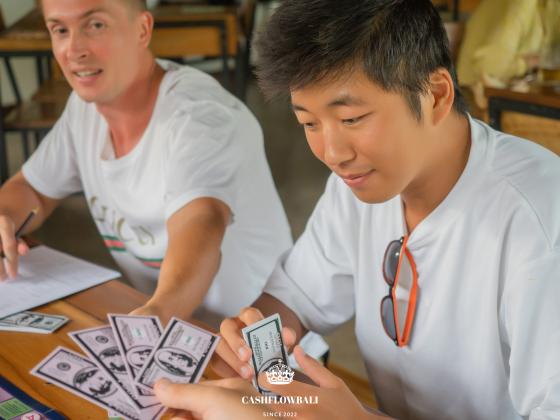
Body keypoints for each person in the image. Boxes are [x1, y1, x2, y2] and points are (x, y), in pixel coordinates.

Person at [154, 0, 560, 419]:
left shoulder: (538, 221)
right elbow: (297, 297)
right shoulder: (360, 184)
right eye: (309, 123)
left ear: (436, 95)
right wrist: (258, 357)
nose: (333, 153)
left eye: (351, 119)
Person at [0, 0, 292, 326]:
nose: (74, 50)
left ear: (142, 30)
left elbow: (200, 224)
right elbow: (32, 190)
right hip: (176, 329)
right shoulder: (84, 110)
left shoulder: (200, 117)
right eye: (60, 30)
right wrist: (4, 220)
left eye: (95, 25)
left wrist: (157, 314)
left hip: (269, 342)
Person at [457, 0, 560, 109]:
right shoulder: (522, 4)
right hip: (471, 98)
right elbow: (488, 66)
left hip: (508, 96)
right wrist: (531, 62)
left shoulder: (551, 9)